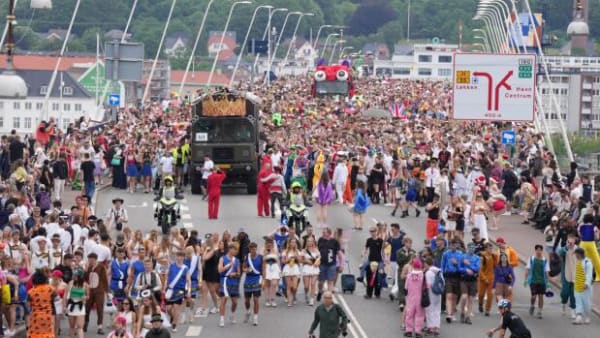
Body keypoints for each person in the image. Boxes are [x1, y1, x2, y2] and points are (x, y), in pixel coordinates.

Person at [164, 251, 191, 332]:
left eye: (181, 256)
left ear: (183, 257)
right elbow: (167, 276)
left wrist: (189, 291)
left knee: (176, 307)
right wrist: (164, 287)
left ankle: (174, 324)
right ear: (176, 257)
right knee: (168, 309)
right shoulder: (171, 266)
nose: (180, 258)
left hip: (179, 291)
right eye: (178, 256)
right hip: (170, 290)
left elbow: (188, 280)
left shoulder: (185, 268)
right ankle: (173, 317)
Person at [27, 270, 56, 338]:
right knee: (47, 332)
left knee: (35, 333)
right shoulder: (51, 289)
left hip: (35, 317)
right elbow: (56, 298)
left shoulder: (31, 292)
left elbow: (28, 305)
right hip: (47, 316)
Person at [84, 252, 108, 334]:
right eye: (89, 259)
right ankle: (85, 323)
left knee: (99, 308)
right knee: (87, 307)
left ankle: (100, 327)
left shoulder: (101, 266)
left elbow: (105, 279)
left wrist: (107, 291)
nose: (89, 260)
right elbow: (86, 278)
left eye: (90, 259)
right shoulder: (89, 267)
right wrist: (86, 270)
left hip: (99, 290)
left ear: (94, 259)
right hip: (90, 290)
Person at [524, 244, 550, 319]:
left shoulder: (544, 260)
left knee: (541, 296)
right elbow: (527, 269)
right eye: (537, 250)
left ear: (542, 251)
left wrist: (548, 282)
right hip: (533, 280)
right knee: (533, 296)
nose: (538, 251)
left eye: (540, 250)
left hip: (542, 281)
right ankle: (532, 305)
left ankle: (539, 311)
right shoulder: (531, 259)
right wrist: (526, 279)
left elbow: (547, 272)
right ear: (535, 251)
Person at [218, 243, 241, 327]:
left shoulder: (237, 260)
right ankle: (221, 319)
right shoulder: (222, 258)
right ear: (230, 249)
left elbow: (239, 273)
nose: (236, 251)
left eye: (237, 250)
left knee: (235, 302)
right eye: (235, 249)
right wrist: (228, 266)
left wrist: (235, 274)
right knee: (223, 300)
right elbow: (220, 270)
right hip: (224, 280)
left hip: (233, 282)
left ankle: (232, 314)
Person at [457, 245, 481, 325]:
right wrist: (466, 270)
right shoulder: (462, 257)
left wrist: (469, 264)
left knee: (471, 299)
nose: (471, 250)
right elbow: (459, 268)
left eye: (473, 248)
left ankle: (468, 317)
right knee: (464, 296)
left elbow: (477, 268)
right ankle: (462, 312)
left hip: (473, 280)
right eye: (470, 248)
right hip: (464, 279)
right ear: (467, 249)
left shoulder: (477, 258)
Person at [441, 238, 463, 323]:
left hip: (457, 276)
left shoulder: (460, 254)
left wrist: (456, 264)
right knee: (449, 295)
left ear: (457, 245)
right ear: (449, 245)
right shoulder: (446, 254)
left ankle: (452, 313)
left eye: (454, 245)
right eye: (451, 245)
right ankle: (449, 314)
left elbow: (462, 267)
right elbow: (442, 265)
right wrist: (442, 275)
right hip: (448, 276)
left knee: (454, 297)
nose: (453, 246)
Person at [317, 227, 341, 301]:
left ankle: (329, 297)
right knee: (321, 281)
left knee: (330, 281)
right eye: (323, 232)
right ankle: (320, 291)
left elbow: (338, 253)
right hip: (322, 264)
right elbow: (317, 250)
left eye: (325, 232)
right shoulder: (320, 240)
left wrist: (340, 264)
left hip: (331, 264)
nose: (323, 233)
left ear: (329, 233)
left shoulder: (335, 241)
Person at [242, 242, 262, 326]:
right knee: (247, 300)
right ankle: (248, 311)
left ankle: (255, 317)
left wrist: (263, 280)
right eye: (251, 249)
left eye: (254, 249)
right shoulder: (247, 257)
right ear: (249, 249)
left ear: (256, 249)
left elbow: (263, 269)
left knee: (256, 300)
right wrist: (246, 270)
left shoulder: (261, 257)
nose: (253, 250)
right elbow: (243, 268)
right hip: (248, 280)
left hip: (257, 279)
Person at [404, 257, 426, 337]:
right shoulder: (423, 275)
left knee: (409, 314)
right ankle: (418, 331)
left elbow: (405, 288)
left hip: (411, 298)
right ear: (420, 266)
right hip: (420, 298)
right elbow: (426, 286)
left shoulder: (409, 275)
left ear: (413, 266)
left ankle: (408, 330)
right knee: (419, 315)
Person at [572, 247, 593, 325]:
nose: (576, 256)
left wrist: (586, 284)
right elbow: (576, 272)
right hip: (577, 285)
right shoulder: (578, 262)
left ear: (580, 254)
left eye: (576, 254)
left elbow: (589, 274)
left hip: (585, 287)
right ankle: (579, 317)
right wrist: (574, 281)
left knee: (586, 302)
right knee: (578, 302)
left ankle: (587, 317)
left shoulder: (588, 263)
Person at [577, 214, 600, 282]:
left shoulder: (581, 226)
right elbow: (597, 237)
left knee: (581, 259)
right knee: (596, 259)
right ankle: (598, 276)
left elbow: (579, 234)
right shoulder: (594, 227)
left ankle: (581, 275)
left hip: (583, 243)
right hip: (591, 243)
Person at [478, 242, 498, 317]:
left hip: (491, 279)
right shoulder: (482, 256)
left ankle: (487, 309)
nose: (490, 250)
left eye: (491, 248)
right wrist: (484, 278)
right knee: (481, 294)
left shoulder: (493, 256)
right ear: (485, 249)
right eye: (489, 248)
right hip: (483, 279)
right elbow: (480, 269)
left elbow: (496, 266)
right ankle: (480, 304)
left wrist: (495, 256)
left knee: (490, 295)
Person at [424, 257, 442, 337]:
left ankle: (430, 327)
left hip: (431, 293)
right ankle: (437, 327)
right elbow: (443, 282)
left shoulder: (428, 273)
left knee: (430, 310)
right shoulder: (439, 271)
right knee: (437, 310)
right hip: (438, 293)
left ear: (427, 264)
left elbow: (428, 285)